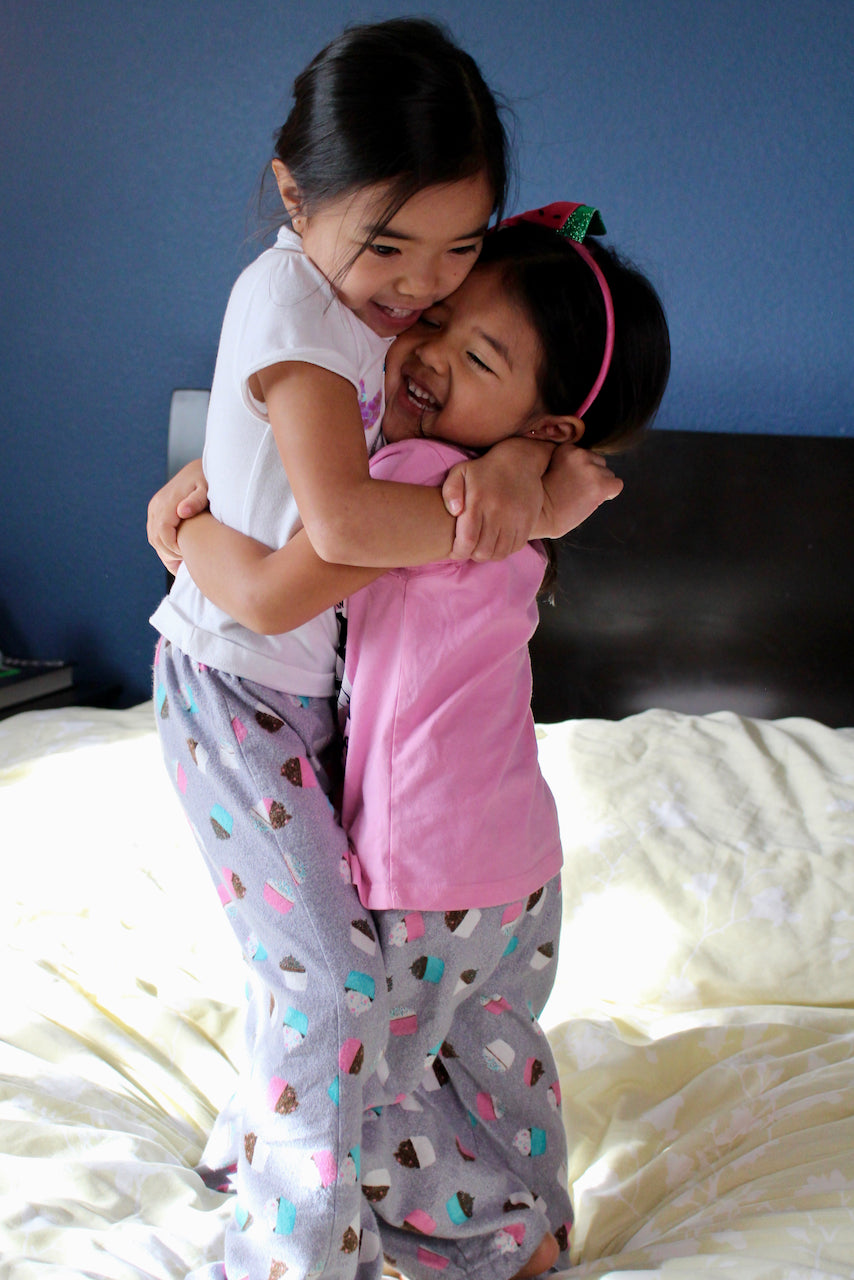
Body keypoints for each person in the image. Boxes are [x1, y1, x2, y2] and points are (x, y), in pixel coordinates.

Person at [148, 15, 621, 1280]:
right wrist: (516, 511)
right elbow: (341, 530)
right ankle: (289, 1255)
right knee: (331, 984)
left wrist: (513, 459)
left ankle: (276, 1145)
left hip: (303, 694)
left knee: (322, 959)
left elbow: (382, 455)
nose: (417, 289)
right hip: (233, 688)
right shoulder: (290, 299)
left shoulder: (368, 317)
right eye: (390, 245)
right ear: (293, 196)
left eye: (458, 252)